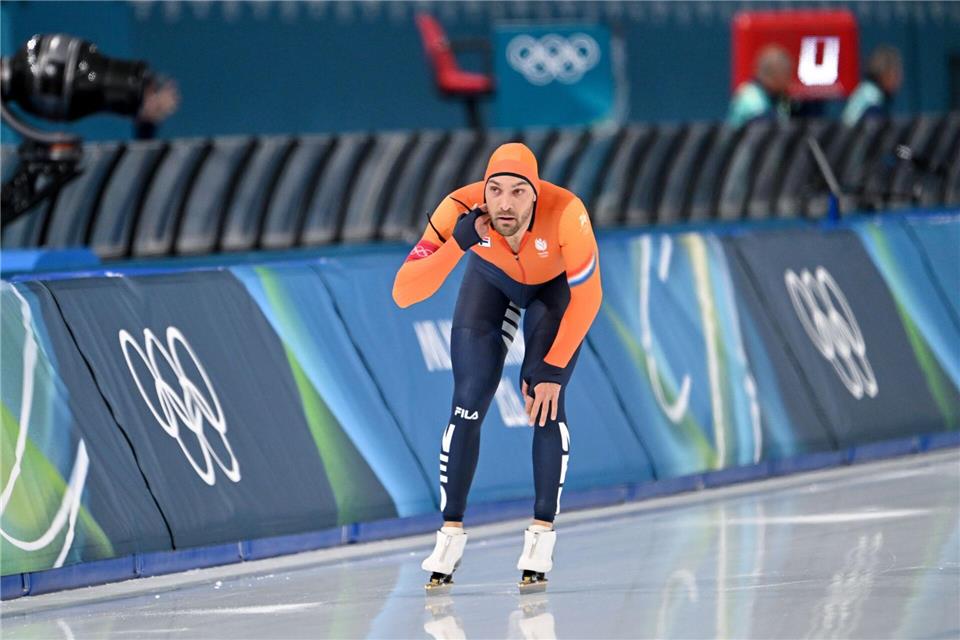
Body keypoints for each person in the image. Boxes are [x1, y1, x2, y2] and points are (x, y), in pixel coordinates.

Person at [393, 143, 602, 590]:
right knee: (467, 401)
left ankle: (541, 537)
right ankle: (449, 537)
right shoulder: (458, 206)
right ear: (483, 192)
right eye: (496, 191)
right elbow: (404, 292)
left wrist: (554, 368)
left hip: (553, 290)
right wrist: (456, 245)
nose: (505, 204)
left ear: (536, 194)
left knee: (543, 397)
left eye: (518, 192)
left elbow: (588, 298)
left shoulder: (567, 212)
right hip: (491, 282)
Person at [727, 44, 793, 128]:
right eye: (786, 73)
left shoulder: (779, 96)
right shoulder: (751, 98)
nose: (789, 79)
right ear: (772, 75)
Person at [842, 46, 902, 126]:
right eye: (896, 74)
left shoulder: (868, 90)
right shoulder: (871, 95)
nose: (899, 79)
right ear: (885, 73)